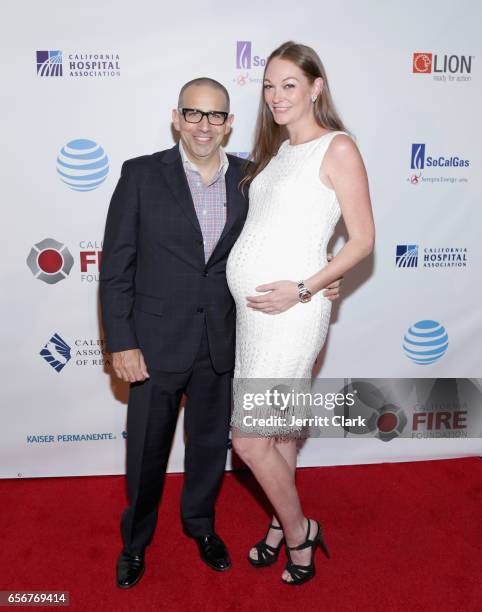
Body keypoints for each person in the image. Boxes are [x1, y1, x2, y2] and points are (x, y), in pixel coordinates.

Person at [99, 76, 343, 589]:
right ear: (176, 117)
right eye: (193, 114)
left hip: (224, 340)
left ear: (230, 123)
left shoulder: (253, 179)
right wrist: (120, 341)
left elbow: (288, 238)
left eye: (215, 116)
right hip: (155, 344)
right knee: (146, 452)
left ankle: (201, 527)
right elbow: (117, 266)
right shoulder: (140, 175)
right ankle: (135, 543)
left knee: (211, 447)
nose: (203, 125)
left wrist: (319, 280)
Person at [227, 41, 375, 585]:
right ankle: (278, 521)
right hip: (255, 318)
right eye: (268, 85)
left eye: (288, 84)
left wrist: (306, 288)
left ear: (316, 87)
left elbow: (361, 241)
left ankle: (299, 532)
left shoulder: (337, 148)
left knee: (248, 441)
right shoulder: (278, 151)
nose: (275, 96)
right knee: (279, 435)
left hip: (291, 315)